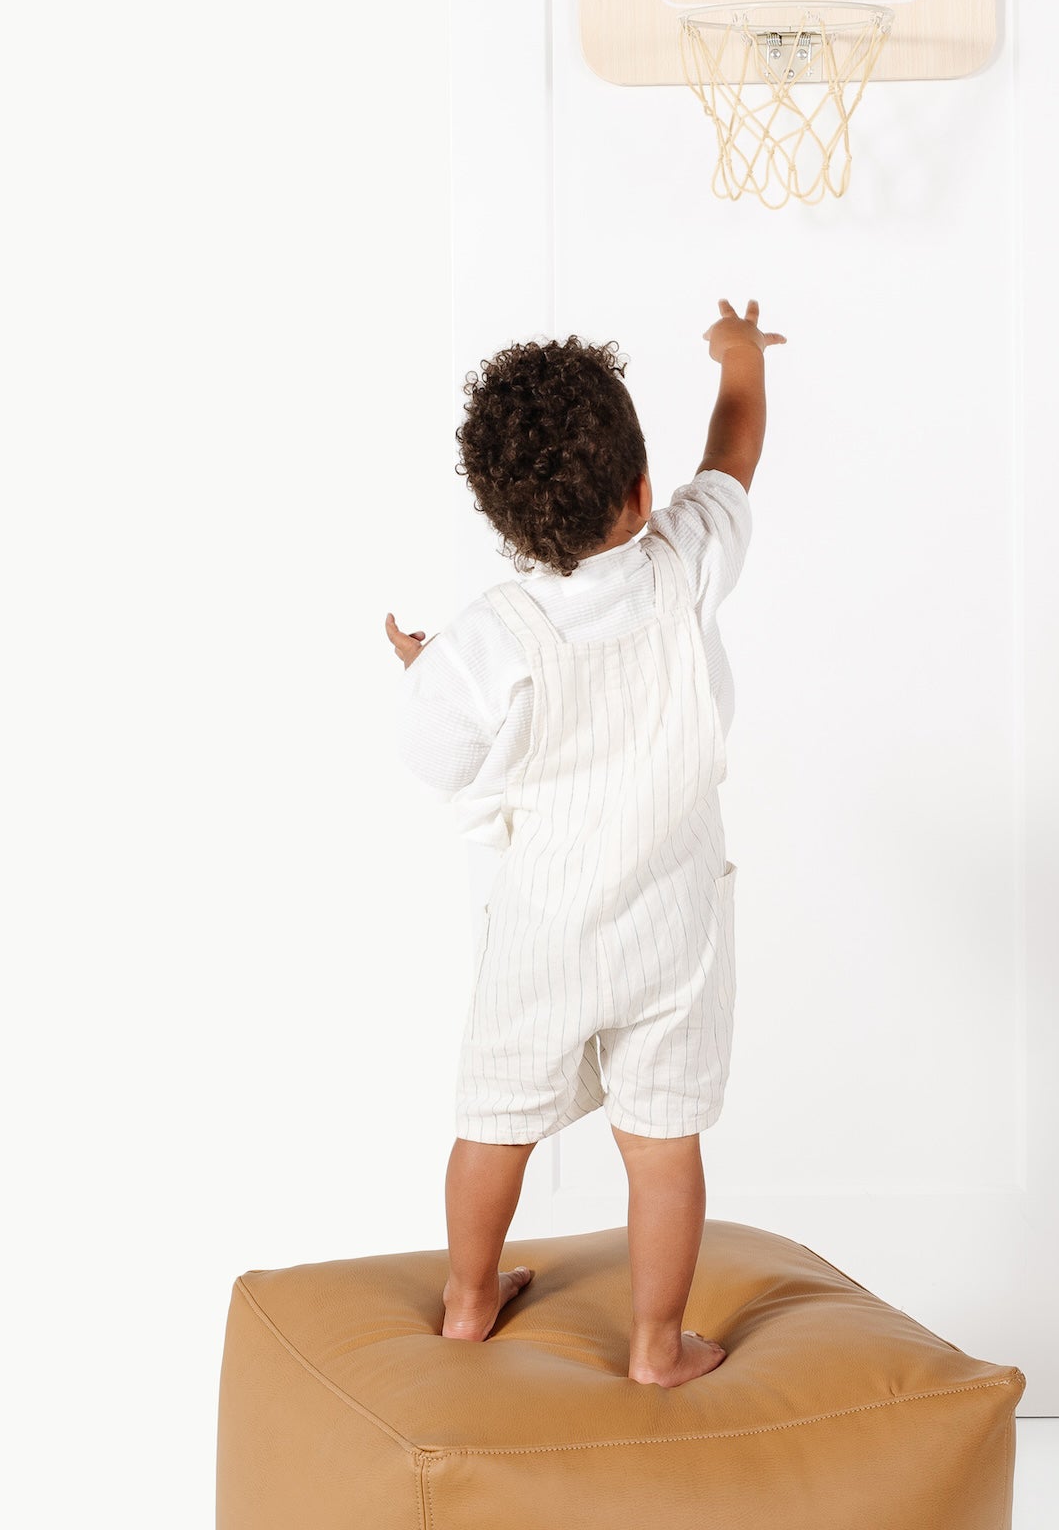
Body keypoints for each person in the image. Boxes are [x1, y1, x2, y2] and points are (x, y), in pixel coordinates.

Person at [385, 298, 782, 1387]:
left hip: (543, 923)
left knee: (495, 1117)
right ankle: (657, 1345)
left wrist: (421, 664)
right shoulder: (686, 556)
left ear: (510, 526)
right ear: (643, 493)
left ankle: (469, 1299)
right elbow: (734, 448)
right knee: (662, 1147)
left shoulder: (486, 639)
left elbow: (435, 752)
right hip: (673, 919)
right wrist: (738, 353)